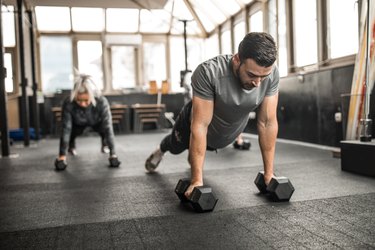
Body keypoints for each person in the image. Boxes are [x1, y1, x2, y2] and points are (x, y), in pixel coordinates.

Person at [145, 32, 279, 198]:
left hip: (226, 134)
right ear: (237, 60)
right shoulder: (208, 72)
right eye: (252, 75)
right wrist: (196, 181)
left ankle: (193, 156)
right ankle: (161, 150)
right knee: (175, 145)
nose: (257, 83)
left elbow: (267, 123)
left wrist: (269, 174)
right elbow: (200, 125)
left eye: (263, 77)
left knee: (197, 152)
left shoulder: (272, 74)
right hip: (193, 125)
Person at [54, 73, 120, 170]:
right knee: (70, 130)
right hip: (77, 123)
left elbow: (108, 127)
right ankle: (71, 147)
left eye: (86, 100)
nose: (83, 104)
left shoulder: (101, 101)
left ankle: (105, 144)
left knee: (105, 129)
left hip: (96, 122)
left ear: (91, 96)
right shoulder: (68, 103)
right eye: (79, 100)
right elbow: (66, 128)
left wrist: (113, 154)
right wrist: (61, 156)